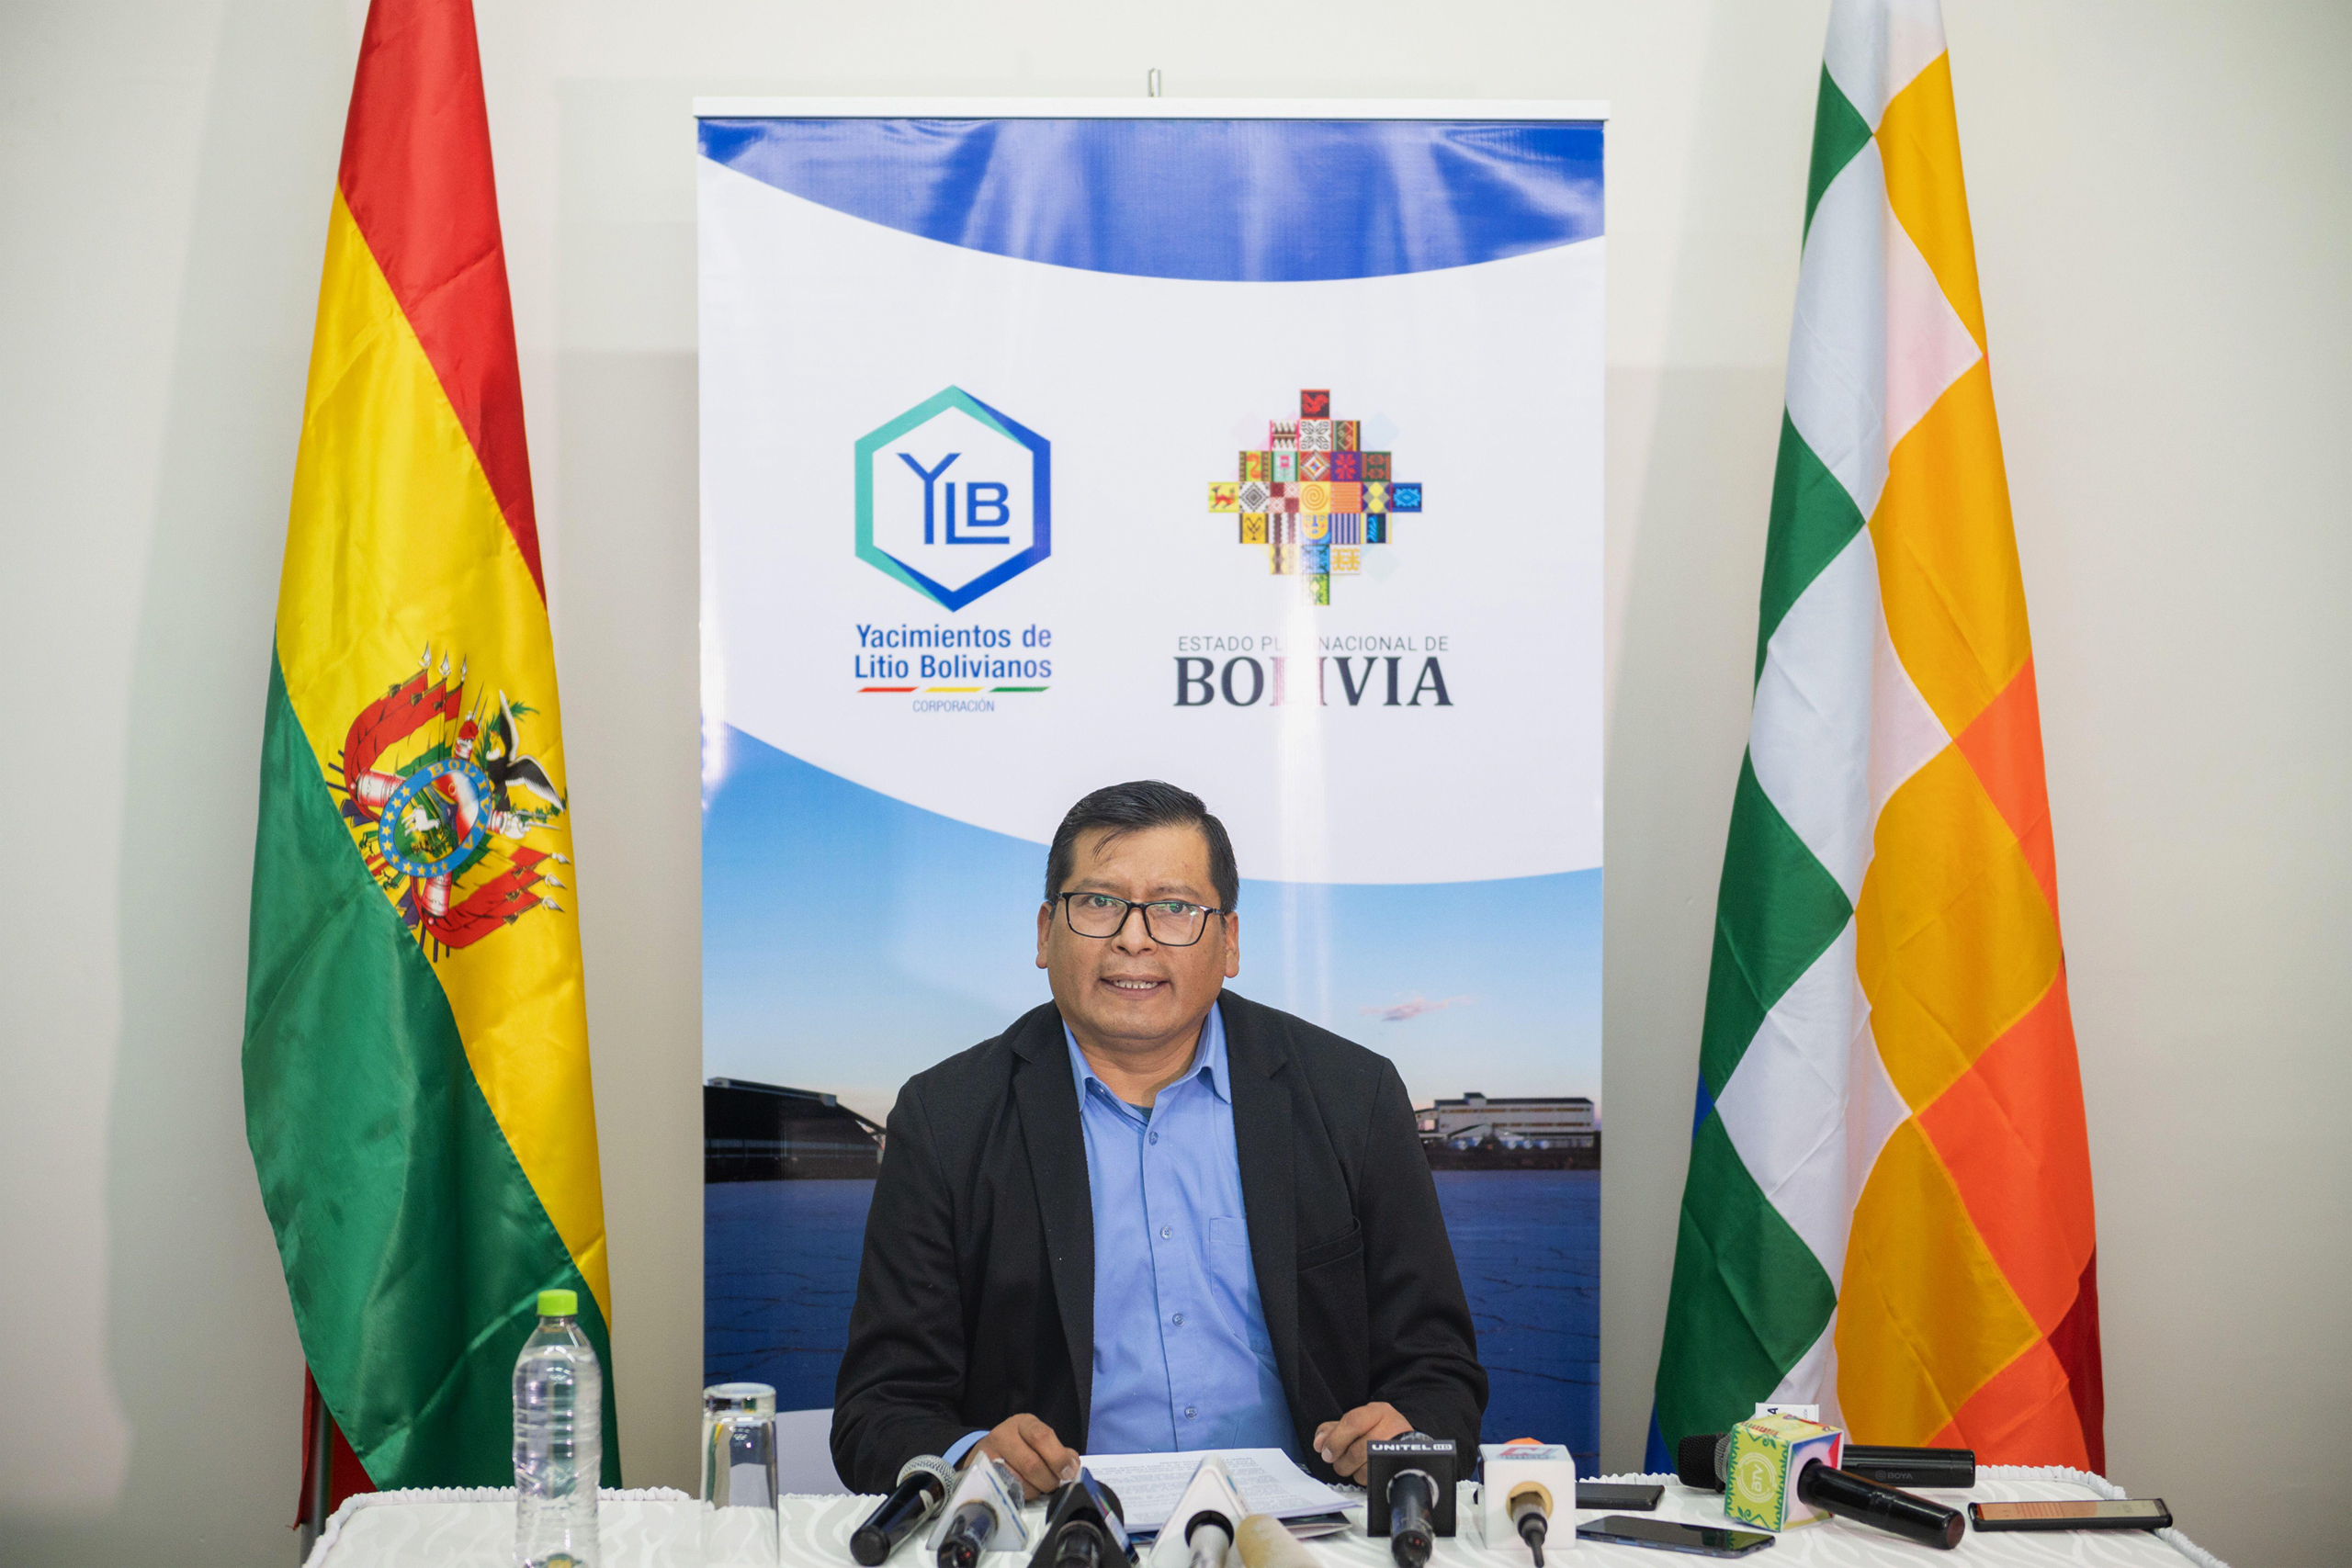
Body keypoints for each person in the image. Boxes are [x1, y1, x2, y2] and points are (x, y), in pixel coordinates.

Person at [830, 780, 1487, 1496]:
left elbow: (1439, 1368)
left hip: (1312, 1530)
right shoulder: (945, 1118)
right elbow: (879, 1407)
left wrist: (1407, 1431)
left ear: (1229, 941)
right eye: (1099, 903)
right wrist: (968, 1459)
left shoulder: (1351, 1096)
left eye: (1174, 906)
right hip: (1060, 1536)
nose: (1133, 937)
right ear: (1045, 933)